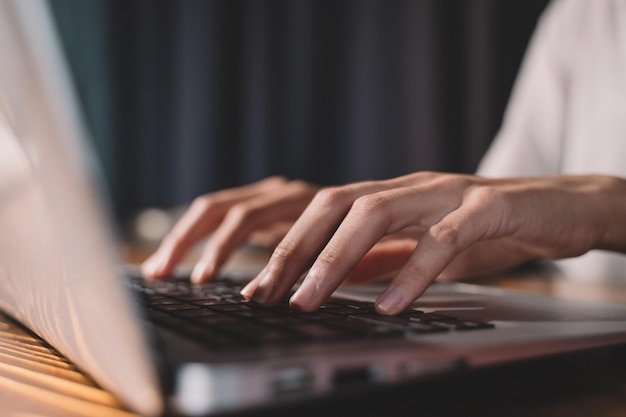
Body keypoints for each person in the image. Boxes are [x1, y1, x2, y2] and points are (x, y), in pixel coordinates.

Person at [142, 0, 626, 315]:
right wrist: (355, 216)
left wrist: (613, 208)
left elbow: (573, 207)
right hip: (577, 310)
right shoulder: (583, 14)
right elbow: (502, 209)